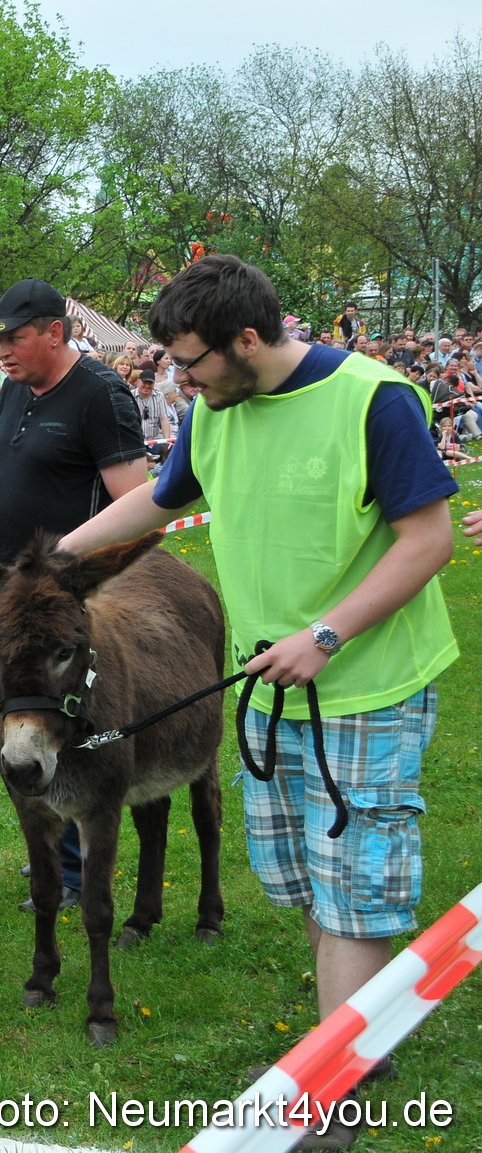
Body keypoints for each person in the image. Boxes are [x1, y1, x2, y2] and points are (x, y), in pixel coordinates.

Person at [61, 257, 457, 1148]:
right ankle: (360, 1032)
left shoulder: (375, 400)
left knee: (352, 890)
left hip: (365, 684)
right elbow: (156, 504)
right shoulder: (214, 411)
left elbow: (426, 539)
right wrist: (52, 562)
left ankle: (328, 1091)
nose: (181, 379)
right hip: (267, 689)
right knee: (313, 886)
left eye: (191, 360)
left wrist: (326, 636)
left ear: (248, 338)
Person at [0, 279, 149, 915]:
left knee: (79, 717)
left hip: (68, 599)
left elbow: (136, 502)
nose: (1, 351)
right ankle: (53, 834)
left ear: (55, 332)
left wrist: (75, 569)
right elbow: (9, 486)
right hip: (9, 593)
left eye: (14, 337)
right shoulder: (13, 391)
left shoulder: (101, 395)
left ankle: (73, 864)